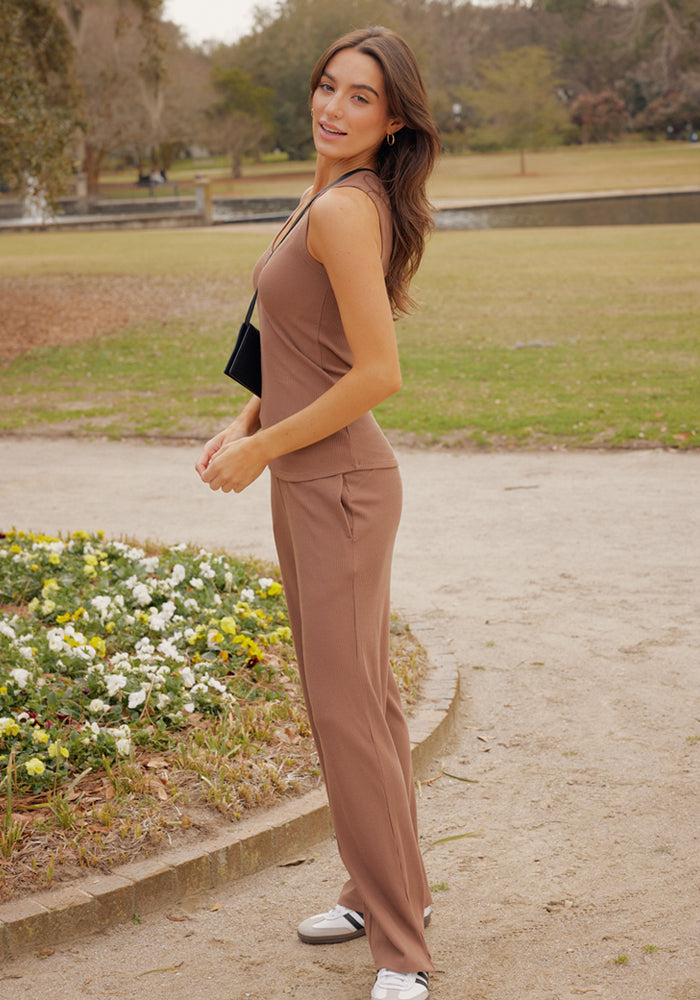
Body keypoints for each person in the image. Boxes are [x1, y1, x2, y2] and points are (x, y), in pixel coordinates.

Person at [196, 26, 440, 1000]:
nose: (333, 108)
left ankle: (402, 952)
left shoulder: (344, 208)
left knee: (349, 713)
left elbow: (377, 373)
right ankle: (380, 891)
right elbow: (304, 345)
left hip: (337, 484)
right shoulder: (328, 192)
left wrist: (262, 448)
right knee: (364, 705)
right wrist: (245, 420)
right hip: (313, 478)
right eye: (327, 86)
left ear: (394, 122)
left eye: (360, 97)